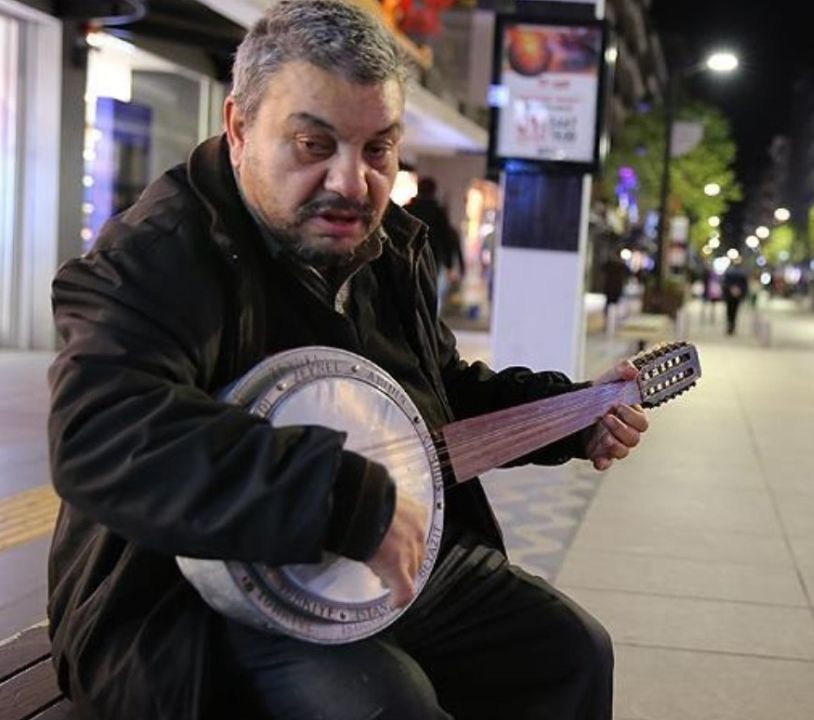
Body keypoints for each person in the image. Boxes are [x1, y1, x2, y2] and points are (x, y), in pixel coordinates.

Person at [44, 3, 649, 718]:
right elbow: (100, 433)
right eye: (313, 145)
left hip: (360, 566)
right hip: (178, 599)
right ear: (240, 128)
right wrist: (341, 496)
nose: (352, 183)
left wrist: (570, 416)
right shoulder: (157, 256)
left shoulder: (386, 247)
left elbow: (439, 397)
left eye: (378, 150)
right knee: (387, 703)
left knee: (568, 652)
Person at [404, 175, 464, 313]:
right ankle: (426, 320)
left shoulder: (407, 210)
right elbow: (446, 239)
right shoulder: (438, 212)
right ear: (433, 191)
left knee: (408, 288)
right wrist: (449, 265)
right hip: (432, 258)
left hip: (408, 256)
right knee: (429, 290)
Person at [722, 258, 749, 335]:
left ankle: (730, 325)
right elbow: (745, 286)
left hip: (729, 295)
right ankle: (732, 325)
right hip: (737, 295)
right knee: (735, 311)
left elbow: (724, 283)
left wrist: (730, 290)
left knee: (729, 310)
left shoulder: (729, 271)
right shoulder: (742, 273)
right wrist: (741, 293)